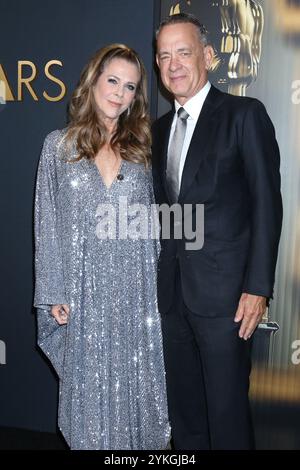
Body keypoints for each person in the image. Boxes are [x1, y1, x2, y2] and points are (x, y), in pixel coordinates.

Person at [152, 13, 282, 450]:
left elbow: (268, 204)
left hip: (227, 301)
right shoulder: (158, 131)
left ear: (207, 56)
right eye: (164, 55)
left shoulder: (244, 115)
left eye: (183, 52)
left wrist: (257, 287)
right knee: (186, 421)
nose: (173, 64)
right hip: (172, 300)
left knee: (226, 422)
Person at [34, 44, 170, 450]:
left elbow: (157, 229)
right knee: (88, 405)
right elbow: (48, 225)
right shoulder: (58, 147)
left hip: (135, 297)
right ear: (93, 81)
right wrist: (53, 291)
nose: (119, 93)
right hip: (82, 293)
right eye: (112, 80)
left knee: (138, 398)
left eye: (129, 87)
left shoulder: (143, 151)